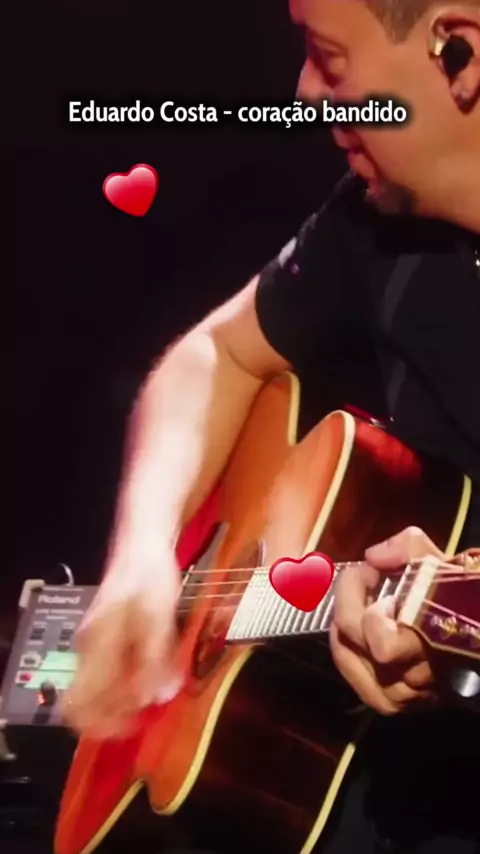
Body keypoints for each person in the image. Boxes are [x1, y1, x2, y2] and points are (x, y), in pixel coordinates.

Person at [64, 0, 480, 851]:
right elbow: (212, 355)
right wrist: (143, 556)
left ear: (460, 54)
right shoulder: (374, 223)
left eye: (329, 58)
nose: (303, 92)